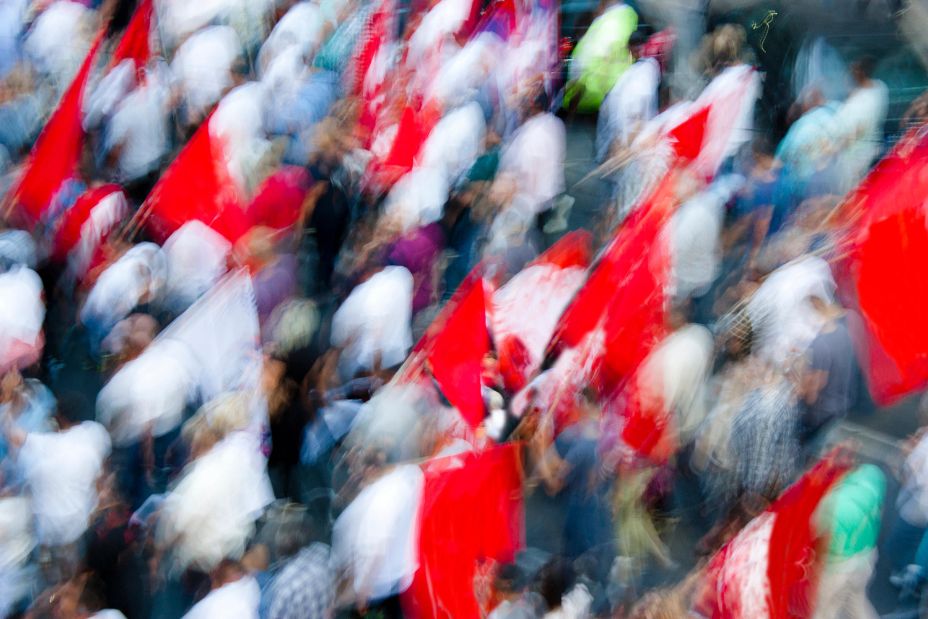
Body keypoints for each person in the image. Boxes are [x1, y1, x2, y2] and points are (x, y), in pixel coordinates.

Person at [813, 464, 885, 619]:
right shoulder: (871, 474)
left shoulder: (831, 503)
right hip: (867, 557)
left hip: (838, 568)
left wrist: (815, 568)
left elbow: (824, 543)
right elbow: (880, 509)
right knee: (856, 602)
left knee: (824, 611)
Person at [832, 56, 889, 193]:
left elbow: (855, 132)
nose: (849, 74)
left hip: (855, 158)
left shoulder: (860, 103)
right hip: (868, 151)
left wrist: (832, 150)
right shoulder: (880, 87)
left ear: (859, 74)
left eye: (852, 71)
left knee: (851, 193)